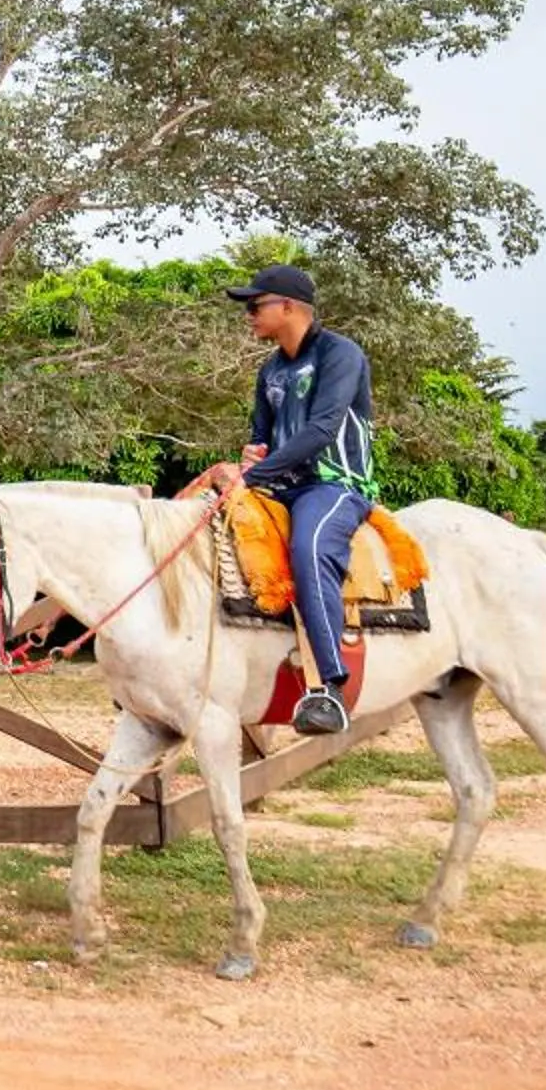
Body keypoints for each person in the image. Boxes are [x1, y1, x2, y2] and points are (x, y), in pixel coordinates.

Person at [203, 264, 376, 737]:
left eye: (255, 306)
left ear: (289, 307)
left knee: (309, 547)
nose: (249, 315)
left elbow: (322, 430)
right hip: (278, 484)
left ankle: (330, 689)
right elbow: (261, 436)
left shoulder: (341, 355)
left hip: (334, 486)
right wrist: (252, 455)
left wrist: (255, 471)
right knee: (200, 519)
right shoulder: (271, 369)